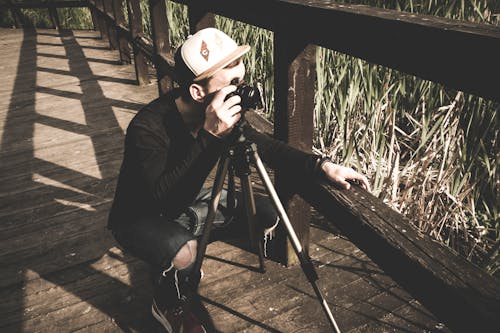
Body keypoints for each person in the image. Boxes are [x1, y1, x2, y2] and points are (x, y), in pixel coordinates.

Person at [107, 27, 370, 333]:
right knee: (183, 251)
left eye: (242, 82)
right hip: (140, 214)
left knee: (267, 214)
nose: (241, 92)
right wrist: (209, 137)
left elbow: (268, 148)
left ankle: (184, 246)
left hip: (187, 199)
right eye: (232, 85)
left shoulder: (221, 112)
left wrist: (322, 166)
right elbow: (164, 201)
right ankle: (167, 301)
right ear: (197, 92)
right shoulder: (148, 128)